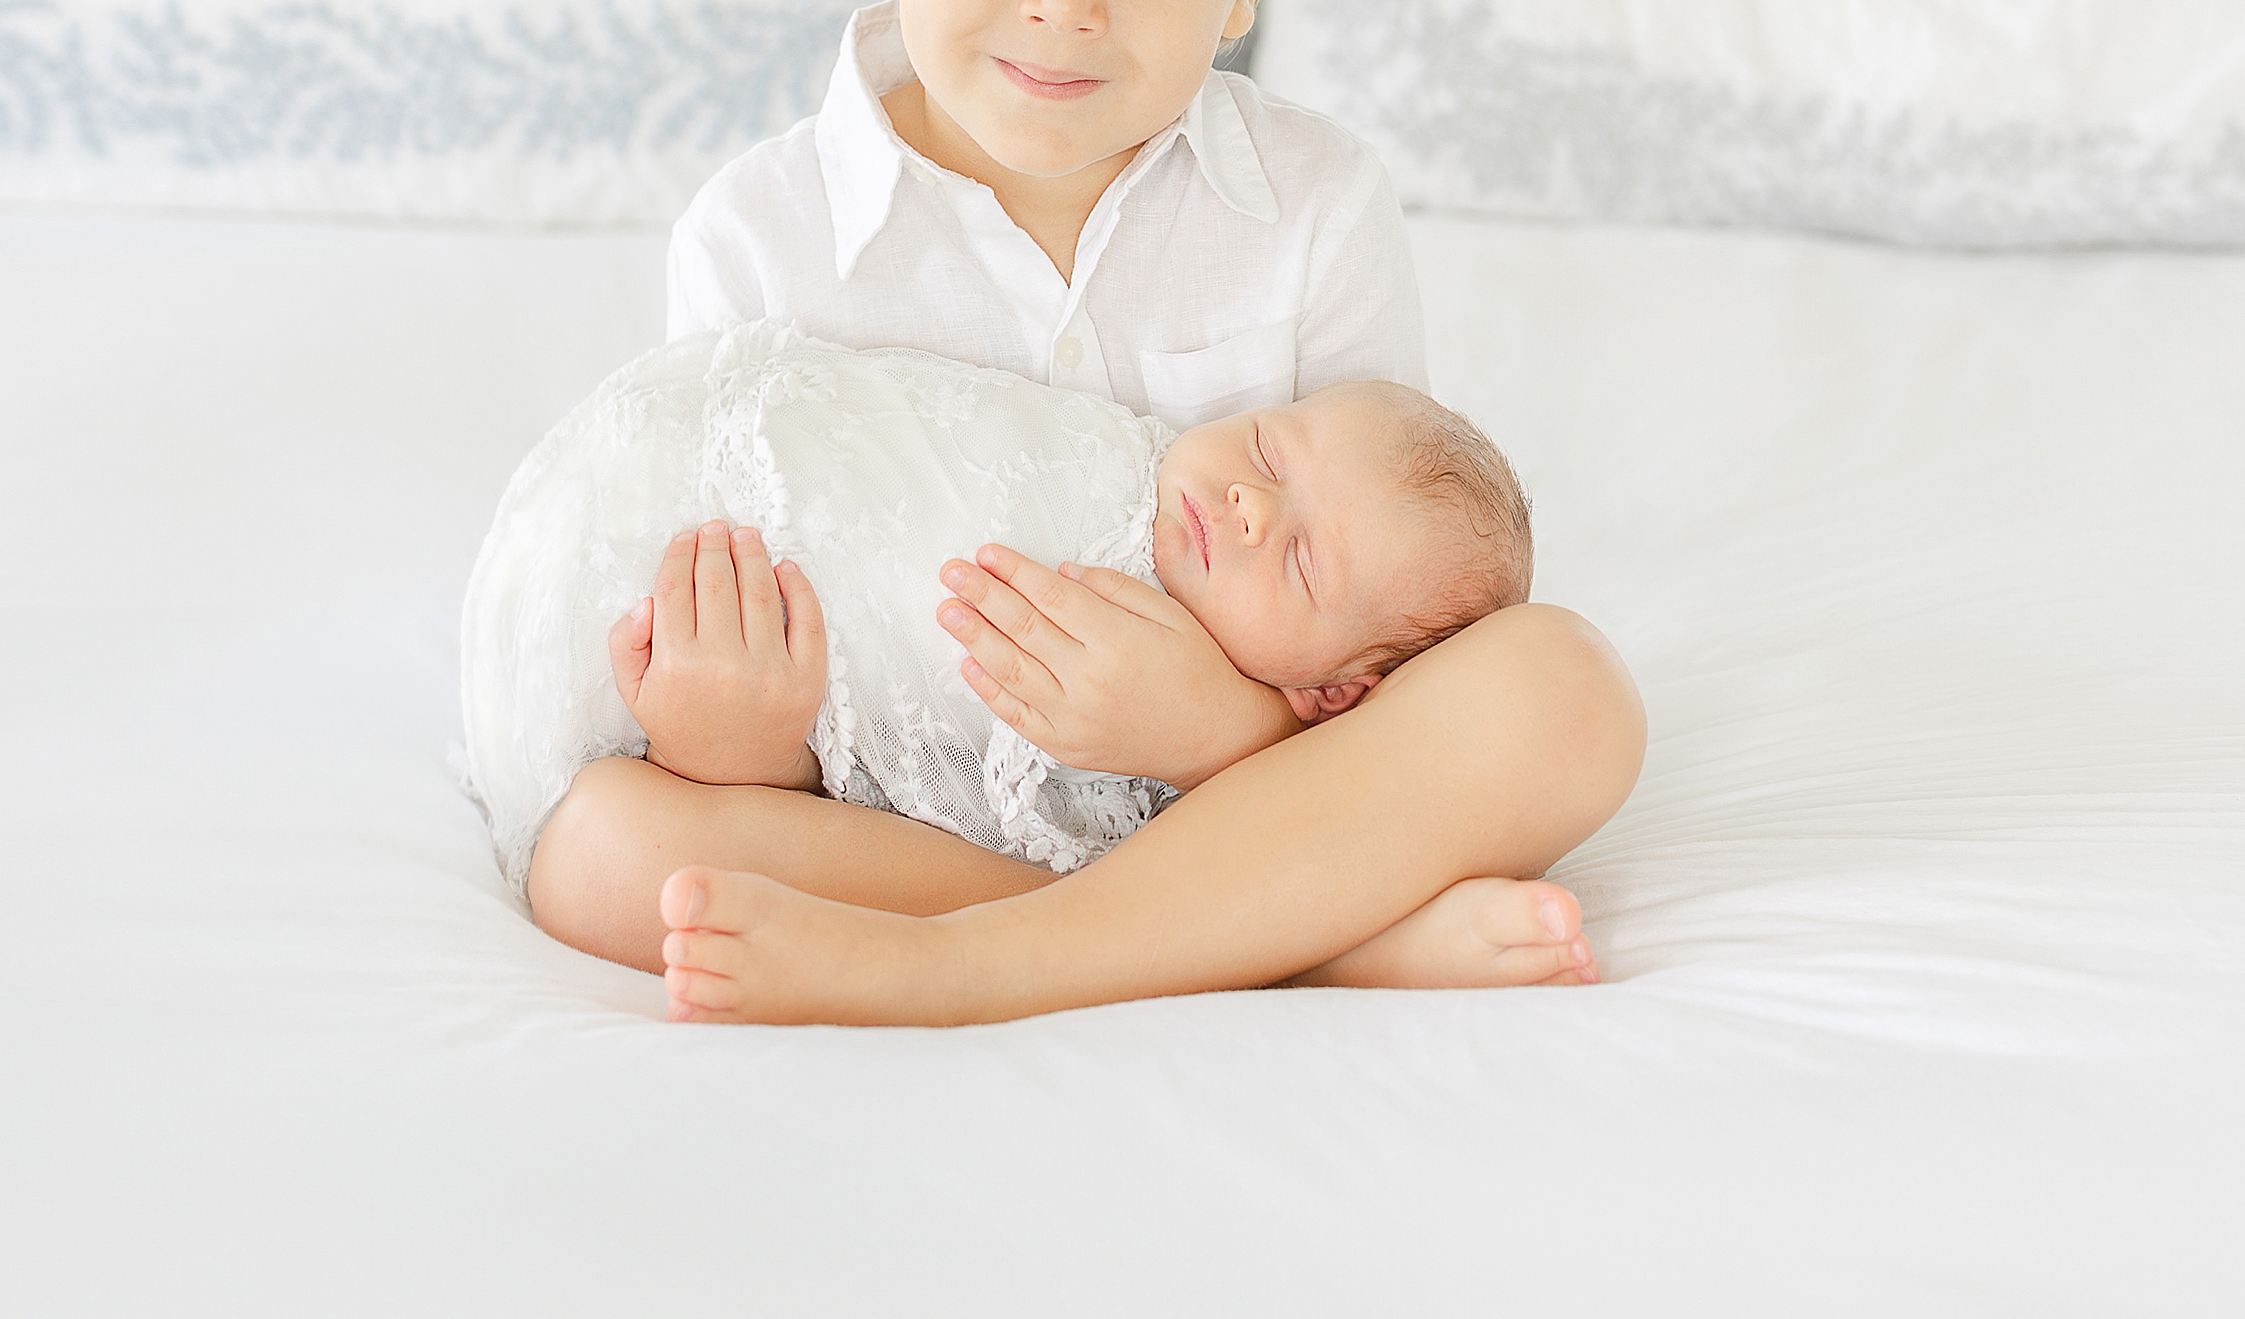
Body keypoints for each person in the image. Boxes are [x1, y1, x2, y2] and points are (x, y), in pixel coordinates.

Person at [527, 0, 1645, 1003]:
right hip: (898, 812)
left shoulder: (1314, 209)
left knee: (1564, 691)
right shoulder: (757, 240)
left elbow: (1390, 634)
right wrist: (736, 735)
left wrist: (1216, 729)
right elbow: (738, 684)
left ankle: (973, 968)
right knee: (601, 850)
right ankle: (1310, 945)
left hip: (1233, 792)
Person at [466, 318, 1540, 895]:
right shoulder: (1111, 469)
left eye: (1300, 557)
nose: (1250, 502)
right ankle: (1301, 945)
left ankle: (1209, 929)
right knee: (596, 850)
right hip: (674, 601)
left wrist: (754, 763)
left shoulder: (1248, 747)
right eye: (1268, 446)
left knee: (599, 861)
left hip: (753, 778)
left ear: (1334, 690)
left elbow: (934, 795)